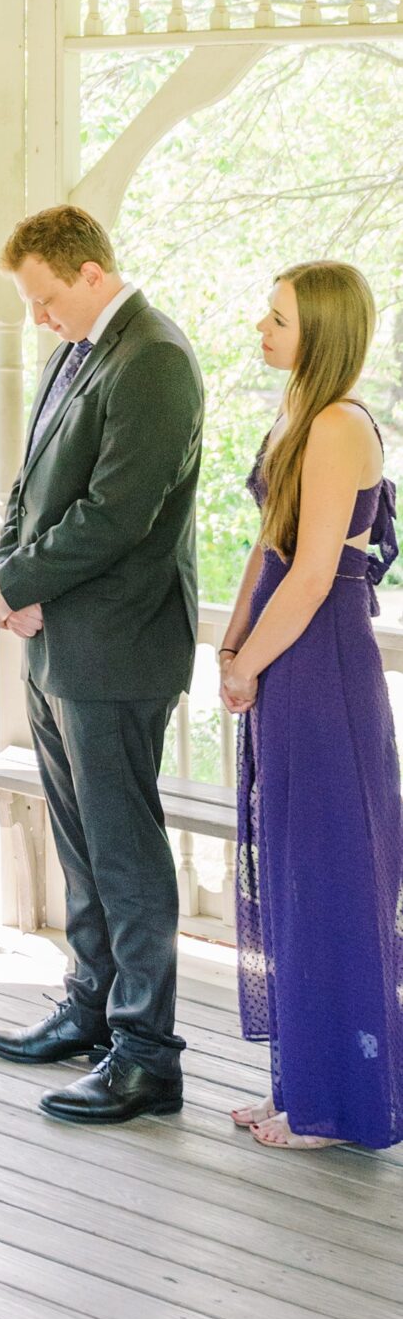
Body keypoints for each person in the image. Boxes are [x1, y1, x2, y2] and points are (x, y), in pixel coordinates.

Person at [0, 204, 202, 1124]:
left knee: (124, 851)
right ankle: (91, 1011)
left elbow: (119, 513)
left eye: (43, 299)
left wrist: (22, 578)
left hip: (117, 644)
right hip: (55, 639)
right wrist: (5, 574)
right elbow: (31, 485)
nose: (38, 318)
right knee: (80, 843)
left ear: (90, 273)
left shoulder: (151, 356)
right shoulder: (78, 348)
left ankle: (148, 1054)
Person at [221, 261, 403, 1151]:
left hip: (322, 664)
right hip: (284, 664)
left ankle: (334, 1105)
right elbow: (266, 551)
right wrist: (229, 645)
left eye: (278, 317)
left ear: (319, 333)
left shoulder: (339, 427)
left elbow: (314, 578)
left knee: (329, 881)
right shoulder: (297, 416)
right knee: (293, 877)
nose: (260, 326)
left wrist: (248, 660)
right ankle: (298, 1083)